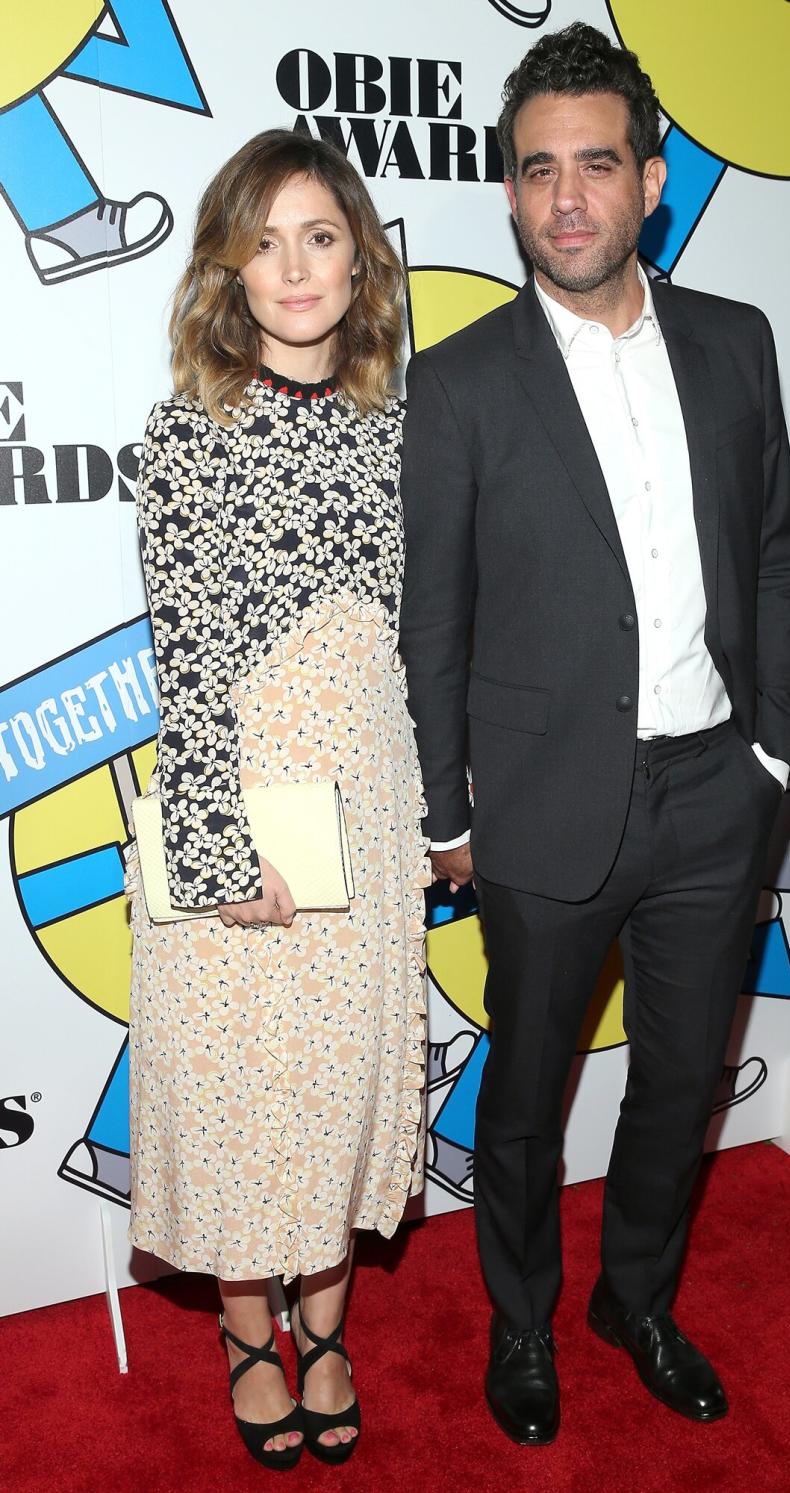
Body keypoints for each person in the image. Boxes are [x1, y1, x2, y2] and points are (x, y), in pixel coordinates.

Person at [399, 23, 790, 1445]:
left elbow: (772, 550)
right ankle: (521, 1320)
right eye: (536, 171)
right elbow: (433, 621)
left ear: (649, 180)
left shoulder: (736, 342)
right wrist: (445, 814)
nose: (567, 197)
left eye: (596, 164)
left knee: (684, 1079)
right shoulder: (455, 384)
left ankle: (633, 1295)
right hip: (542, 807)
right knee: (522, 1097)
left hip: (715, 792)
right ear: (508, 197)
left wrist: (773, 754)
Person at [127, 128, 429, 1470]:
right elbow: (183, 655)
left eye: (321, 235)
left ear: (360, 257)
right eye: (266, 239)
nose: (295, 266)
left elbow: (426, 633)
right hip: (243, 789)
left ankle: (328, 1328)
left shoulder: (403, 428)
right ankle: (251, 1331)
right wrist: (210, 844)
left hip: (368, 781)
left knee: (341, 1074)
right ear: (228, 268)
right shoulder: (190, 432)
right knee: (246, 1078)